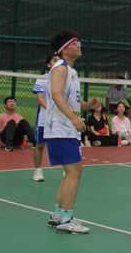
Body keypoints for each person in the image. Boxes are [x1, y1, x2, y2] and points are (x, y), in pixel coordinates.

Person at [44, 29, 101, 234]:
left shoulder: (72, 71)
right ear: (66, 49)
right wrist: (73, 118)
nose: (79, 46)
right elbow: (56, 94)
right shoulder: (60, 68)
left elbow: (72, 102)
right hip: (61, 128)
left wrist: (87, 105)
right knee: (74, 172)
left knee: (71, 172)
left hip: (66, 129)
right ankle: (66, 219)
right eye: (76, 43)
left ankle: (58, 215)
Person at [32, 53, 59, 181]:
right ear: (49, 64)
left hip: (61, 118)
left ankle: (67, 170)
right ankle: (37, 171)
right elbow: (40, 97)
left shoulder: (65, 79)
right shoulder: (42, 79)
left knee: (62, 143)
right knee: (40, 144)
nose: (57, 62)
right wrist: (51, 110)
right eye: (54, 60)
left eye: (59, 61)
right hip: (44, 118)